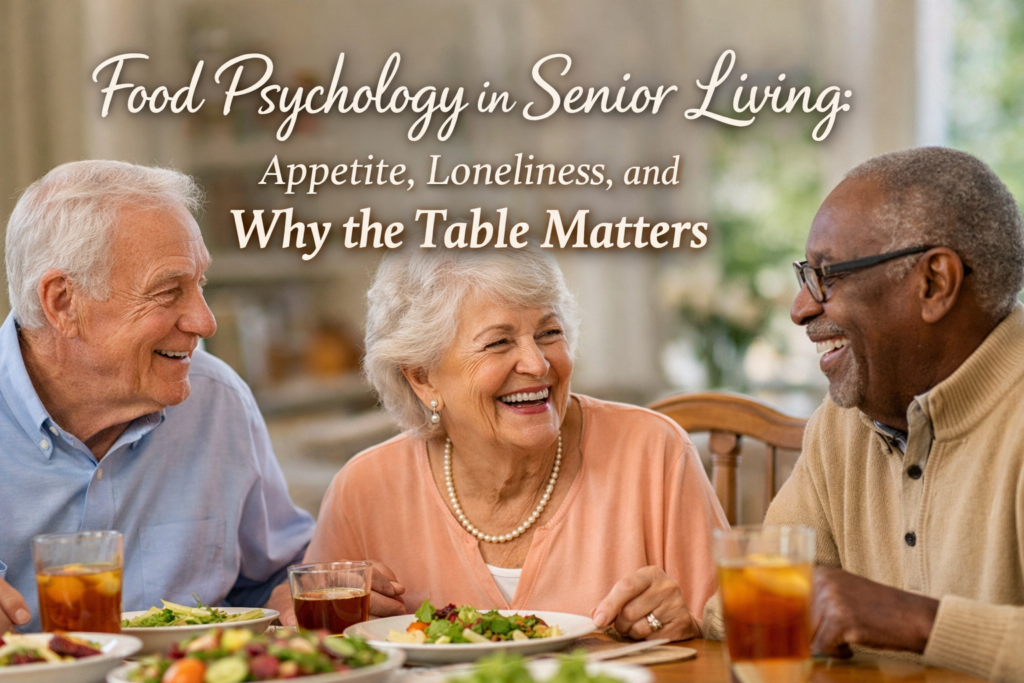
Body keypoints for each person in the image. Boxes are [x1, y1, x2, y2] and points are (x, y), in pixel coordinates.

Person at [701, 147, 1024, 682]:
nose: (800, 309)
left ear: (934, 283)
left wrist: (917, 622)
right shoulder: (844, 419)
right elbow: (748, 605)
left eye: (826, 275)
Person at [304, 247, 728, 641]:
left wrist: (688, 625)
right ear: (422, 376)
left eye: (548, 333)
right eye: (499, 342)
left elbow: (734, 630)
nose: (537, 363)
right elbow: (305, 643)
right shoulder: (364, 490)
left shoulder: (653, 453)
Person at [0, 160, 315, 633]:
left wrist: (297, 594)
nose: (205, 323)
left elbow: (277, 576)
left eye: (199, 284)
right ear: (63, 302)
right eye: (169, 292)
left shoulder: (216, 401)